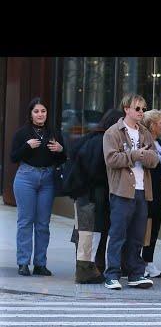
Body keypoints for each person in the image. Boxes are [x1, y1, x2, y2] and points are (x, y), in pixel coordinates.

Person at [102, 93, 159, 290]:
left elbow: (155, 159)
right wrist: (135, 155)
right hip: (122, 191)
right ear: (126, 109)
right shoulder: (113, 132)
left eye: (143, 109)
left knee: (137, 234)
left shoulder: (145, 133)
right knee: (118, 234)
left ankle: (136, 273)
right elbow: (111, 159)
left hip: (143, 190)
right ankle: (112, 274)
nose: (141, 112)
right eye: (137, 109)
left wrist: (143, 156)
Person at [10, 97, 67, 276]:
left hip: (48, 178)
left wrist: (61, 150)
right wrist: (26, 147)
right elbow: (13, 157)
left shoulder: (54, 132)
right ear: (31, 114)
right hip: (26, 177)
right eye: (36, 111)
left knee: (43, 224)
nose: (40, 114)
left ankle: (40, 263)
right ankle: (23, 262)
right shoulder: (22, 133)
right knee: (25, 221)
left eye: (43, 111)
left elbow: (62, 158)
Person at [70, 109, 124, 283]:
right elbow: (97, 171)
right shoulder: (103, 142)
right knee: (93, 234)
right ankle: (87, 272)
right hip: (95, 196)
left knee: (84, 233)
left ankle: (88, 270)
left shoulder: (89, 138)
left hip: (82, 195)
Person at [141, 109, 161, 278]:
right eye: (160, 123)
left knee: (154, 227)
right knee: (144, 228)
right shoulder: (145, 142)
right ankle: (140, 262)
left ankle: (148, 260)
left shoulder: (160, 143)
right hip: (148, 191)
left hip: (159, 192)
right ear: (152, 125)